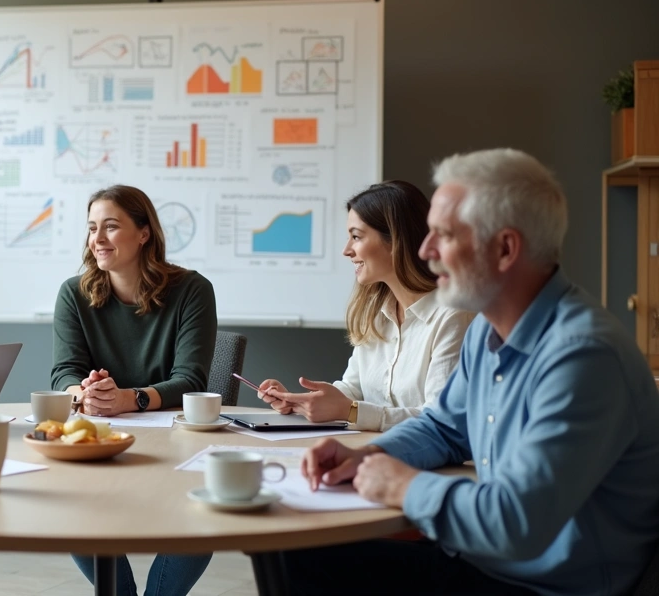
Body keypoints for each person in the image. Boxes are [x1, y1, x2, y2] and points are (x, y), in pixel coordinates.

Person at [284, 149, 659, 595]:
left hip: (548, 585)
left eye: (442, 235)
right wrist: (367, 456)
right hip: (486, 564)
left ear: (504, 249)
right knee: (290, 552)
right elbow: (443, 428)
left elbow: (515, 522)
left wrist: (403, 485)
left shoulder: (583, 357)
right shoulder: (487, 329)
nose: (424, 250)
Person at [51, 184, 218, 596]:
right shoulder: (74, 293)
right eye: (92, 228)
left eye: (111, 226)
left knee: (205, 518)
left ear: (144, 233)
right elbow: (64, 374)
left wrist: (131, 398)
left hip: (177, 440)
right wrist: (83, 393)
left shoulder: (192, 290)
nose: (98, 239)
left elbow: (191, 380)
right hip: (101, 437)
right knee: (71, 507)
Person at [257, 181, 474, 431]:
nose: (346, 250)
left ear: (395, 240)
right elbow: (353, 390)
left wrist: (350, 411)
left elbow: (441, 421)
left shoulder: (454, 316)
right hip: (372, 451)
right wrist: (301, 402)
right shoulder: (375, 312)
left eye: (356, 237)